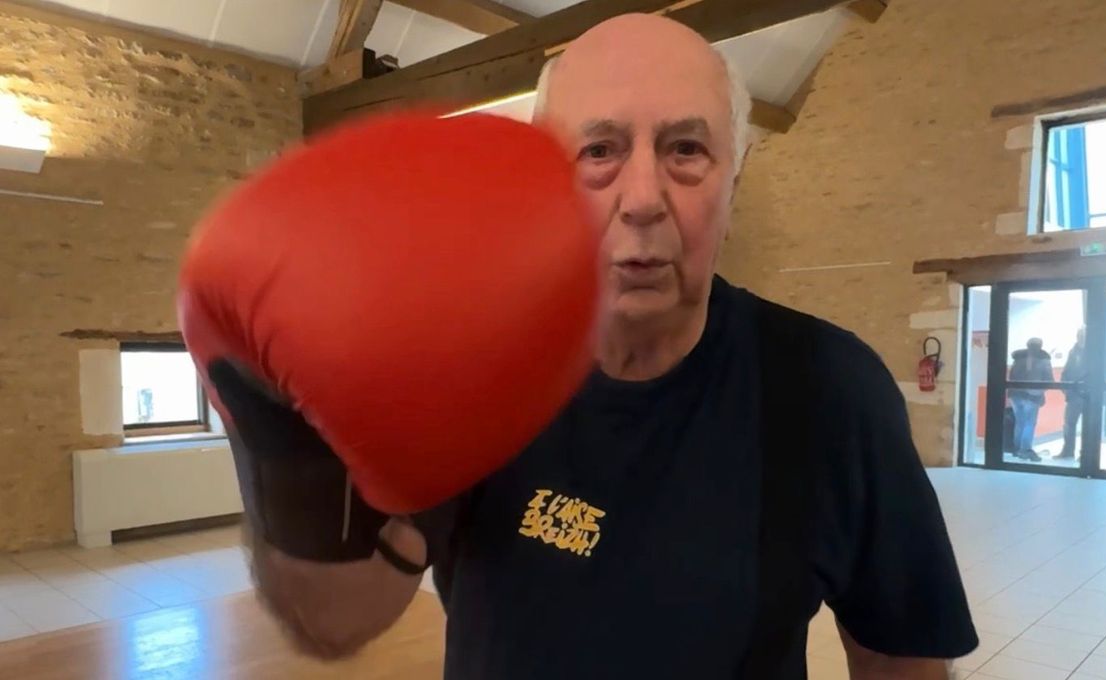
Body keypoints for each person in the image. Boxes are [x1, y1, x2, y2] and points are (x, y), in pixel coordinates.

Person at [236, 14, 977, 680]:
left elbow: (899, 655)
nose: (644, 197)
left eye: (686, 149)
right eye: (599, 150)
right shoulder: (471, 372)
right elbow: (343, 616)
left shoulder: (831, 390)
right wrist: (288, 454)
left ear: (736, 179)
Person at [1008, 337, 1054, 461]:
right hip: (1032, 395)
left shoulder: (1018, 358)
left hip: (1015, 395)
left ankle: (1017, 449)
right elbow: (1049, 380)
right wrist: (1041, 393)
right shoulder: (1044, 359)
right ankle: (1025, 450)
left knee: (1020, 422)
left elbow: (1011, 376)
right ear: (1040, 346)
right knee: (1029, 423)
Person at [1056, 328, 1086, 460]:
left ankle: (1085, 454)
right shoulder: (1073, 352)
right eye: (1079, 335)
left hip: (1089, 396)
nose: (1081, 338)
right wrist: (1066, 389)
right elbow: (1066, 372)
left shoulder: (1097, 351)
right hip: (1073, 395)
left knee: (1089, 427)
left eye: (1083, 335)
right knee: (1069, 424)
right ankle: (1068, 451)